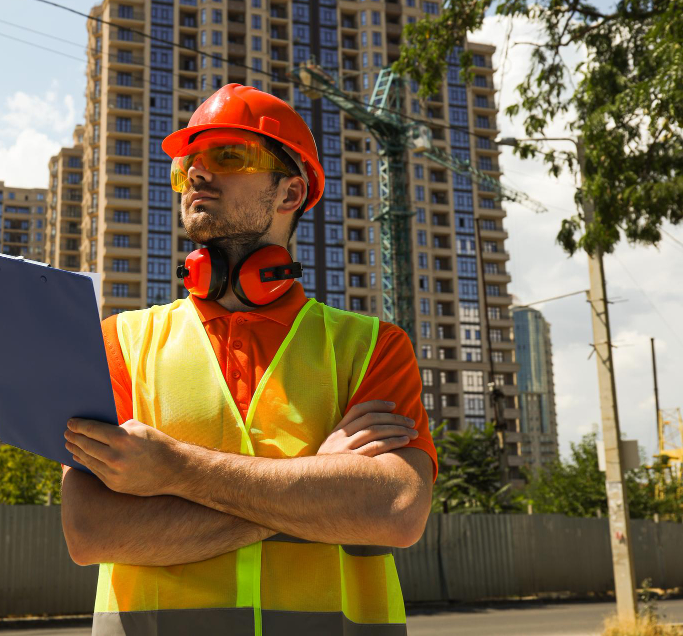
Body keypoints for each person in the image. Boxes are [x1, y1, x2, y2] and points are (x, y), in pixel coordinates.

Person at [61, 83, 436, 635]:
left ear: (289, 193)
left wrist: (173, 472)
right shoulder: (120, 342)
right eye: (188, 165)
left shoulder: (373, 348)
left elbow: (396, 510)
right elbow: (91, 531)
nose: (196, 174)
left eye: (228, 156)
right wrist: (320, 485)